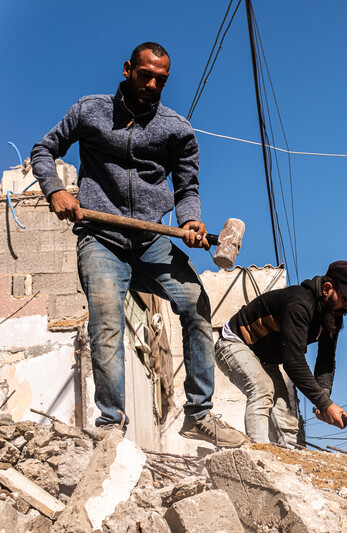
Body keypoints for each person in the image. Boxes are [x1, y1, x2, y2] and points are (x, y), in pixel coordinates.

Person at [30, 42, 245, 448]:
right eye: (145, 75)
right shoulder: (89, 111)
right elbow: (44, 149)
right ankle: (111, 426)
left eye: (160, 80)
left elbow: (187, 186)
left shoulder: (176, 129)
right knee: (107, 324)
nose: (151, 84)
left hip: (152, 241)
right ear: (127, 69)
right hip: (101, 239)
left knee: (197, 306)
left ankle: (199, 415)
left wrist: (191, 220)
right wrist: (55, 188)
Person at [215, 260, 347, 446]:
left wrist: (323, 399)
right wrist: (325, 404)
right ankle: (258, 456)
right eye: (345, 298)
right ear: (327, 288)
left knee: (284, 417)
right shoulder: (299, 304)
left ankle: (290, 463)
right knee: (262, 389)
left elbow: (326, 360)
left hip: (264, 358)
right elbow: (293, 362)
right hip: (235, 342)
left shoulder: (332, 316)